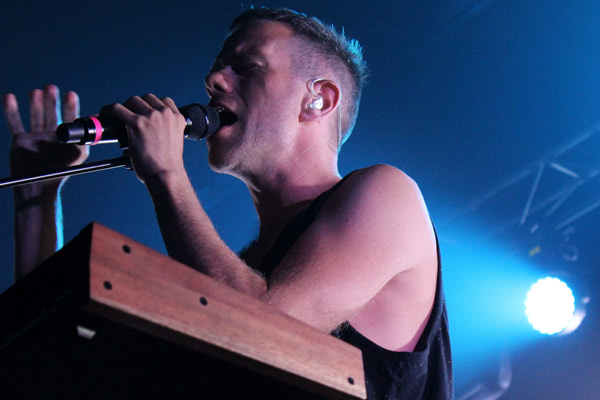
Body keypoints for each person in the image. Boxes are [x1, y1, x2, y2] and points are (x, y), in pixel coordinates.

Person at [3, 8, 452, 399]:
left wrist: (166, 173)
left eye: (247, 66)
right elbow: (55, 351)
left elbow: (265, 329)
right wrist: (37, 197)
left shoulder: (386, 194)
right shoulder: (237, 272)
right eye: (218, 69)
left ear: (318, 100)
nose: (213, 81)